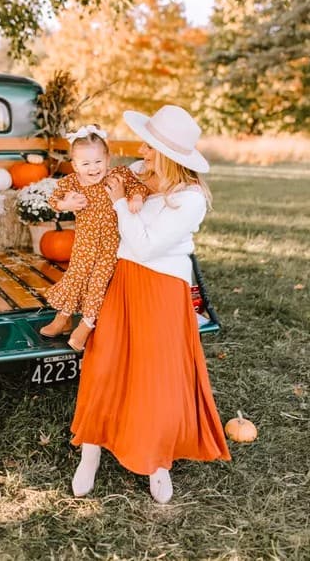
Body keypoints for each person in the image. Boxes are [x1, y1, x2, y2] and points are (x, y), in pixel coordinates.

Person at [69, 105, 231, 504]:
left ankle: (157, 463)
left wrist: (122, 203)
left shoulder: (190, 199)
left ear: (166, 154)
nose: (140, 150)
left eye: (149, 145)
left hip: (161, 289)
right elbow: (95, 182)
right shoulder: (141, 174)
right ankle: (90, 452)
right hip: (122, 279)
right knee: (104, 363)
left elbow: (143, 244)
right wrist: (76, 197)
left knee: (154, 376)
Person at [39, 124, 149, 351]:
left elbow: (139, 186)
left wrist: (137, 197)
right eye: (85, 164)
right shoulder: (72, 182)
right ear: (75, 165)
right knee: (75, 277)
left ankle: (86, 324)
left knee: (98, 283)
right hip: (84, 244)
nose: (93, 168)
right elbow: (54, 200)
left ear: (108, 160)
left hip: (111, 246)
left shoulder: (118, 176)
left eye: (98, 162)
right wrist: (66, 204)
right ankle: (64, 316)